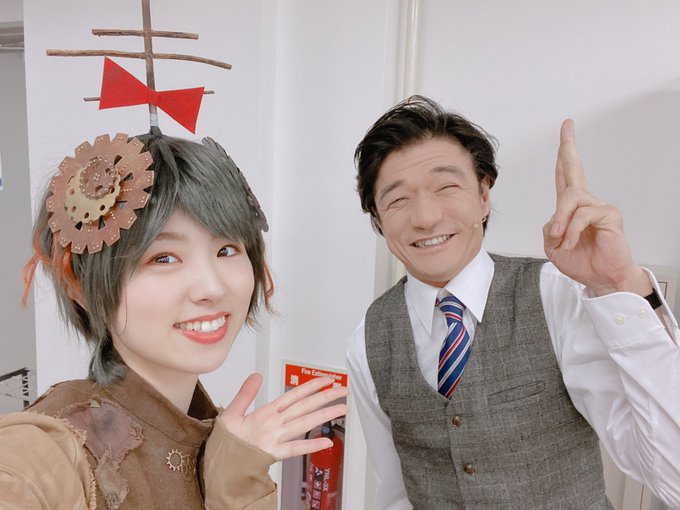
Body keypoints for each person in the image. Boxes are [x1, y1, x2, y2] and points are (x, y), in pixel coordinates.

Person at [346, 95, 680, 509]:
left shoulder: (556, 295)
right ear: (378, 220)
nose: (426, 217)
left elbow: (673, 478)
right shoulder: (368, 339)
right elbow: (395, 493)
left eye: (446, 186)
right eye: (398, 200)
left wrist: (619, 284)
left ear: (484, 195)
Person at [0, 132, 347, 509]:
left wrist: (234, 479)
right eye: (163, 258)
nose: (212, 287)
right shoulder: (43, 457)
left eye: (227, 249)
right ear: (79, 286)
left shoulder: (221, 442)